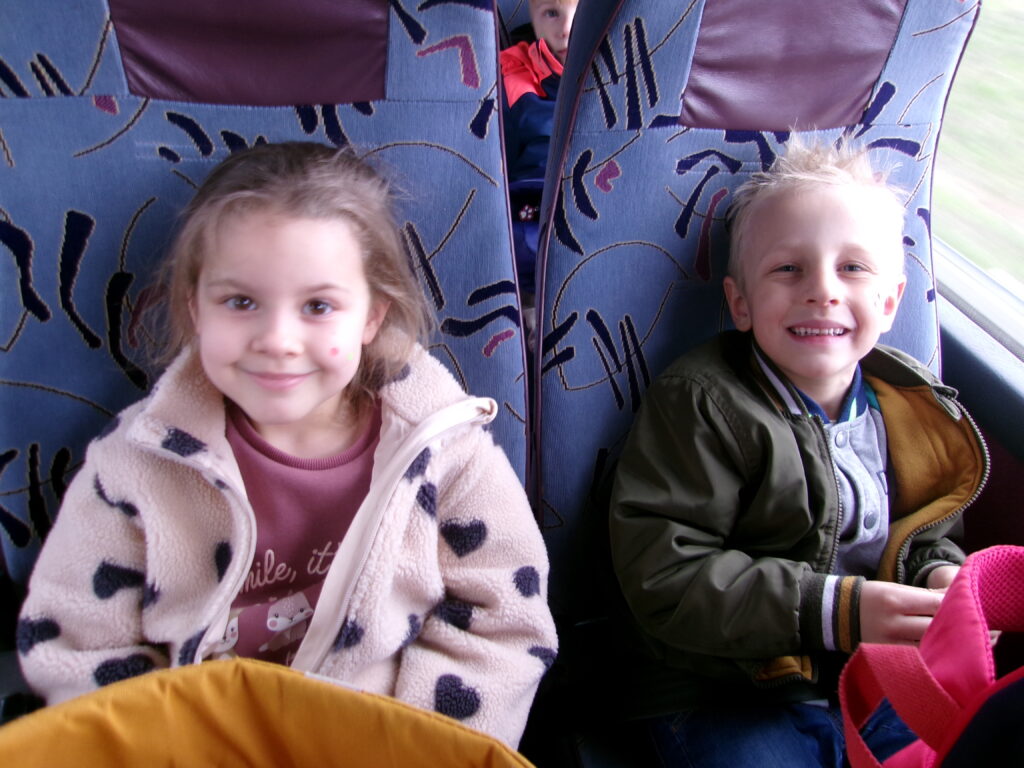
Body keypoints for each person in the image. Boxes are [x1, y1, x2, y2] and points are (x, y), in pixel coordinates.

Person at [16, 142, 557, 748]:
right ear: (196, 309)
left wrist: (409, 746)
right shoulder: (135, 463)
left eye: (318, 306)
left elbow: (504, 626)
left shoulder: (447, 452)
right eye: (240, 302)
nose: (277, 339)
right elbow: (81, 641)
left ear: (372, 317)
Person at [608, 139, 988, 766]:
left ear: (890, 302)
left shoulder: (909, 406)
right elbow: (665, 572)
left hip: (867, 670)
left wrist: (937, 580)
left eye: (853, 268)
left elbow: (922, 532)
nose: (822, 291)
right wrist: (838, 610)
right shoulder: (702, 402)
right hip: (721, 684)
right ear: (740, 302)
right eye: (788, 269)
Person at [500, 0, 578, 304]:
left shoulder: (632, 71)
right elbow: (495, 163)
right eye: (552, 14)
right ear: (533, 17)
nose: (566, 29)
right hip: (532, 209)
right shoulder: (512, 76)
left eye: (582, 11)